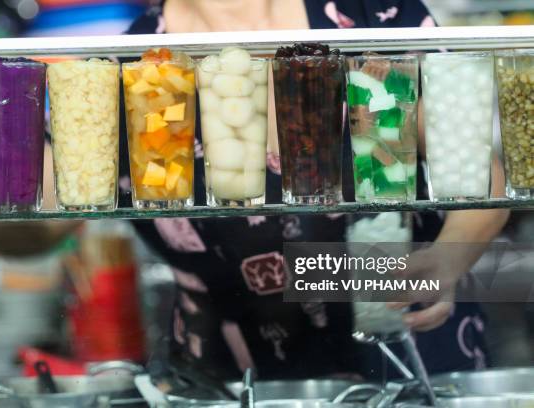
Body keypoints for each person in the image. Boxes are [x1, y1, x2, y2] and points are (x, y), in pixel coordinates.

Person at [122, 0, 510, 381]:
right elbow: (69, 185)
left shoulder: (372, 15)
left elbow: (480, 175)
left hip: (409, 353)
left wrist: (445, 261)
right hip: (240, 379)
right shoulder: (135, 58)